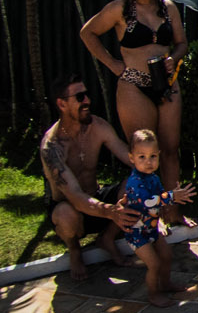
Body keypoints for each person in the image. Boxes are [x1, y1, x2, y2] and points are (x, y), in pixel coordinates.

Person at [80, 0, 195, 227]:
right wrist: (113, 64)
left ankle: (173, 212)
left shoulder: (168, 8)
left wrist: (173, 57)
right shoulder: (119, 9)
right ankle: (150, 217)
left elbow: (181, 43)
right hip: (133, 85)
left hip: (167, 85)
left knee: (170, 150)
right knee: (144, 155)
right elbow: (87, 33)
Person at [40, 76, 140, 281]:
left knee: (136, 183)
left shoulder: (97, 126)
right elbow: (75, 196)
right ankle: (74, 249)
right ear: (62, 104)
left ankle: (107, 238)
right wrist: (111, 211)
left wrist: (151, 177)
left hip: (97, 198)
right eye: (79, 97)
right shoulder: (52, 147)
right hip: (72, 209)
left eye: (86, 95)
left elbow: (132, 160)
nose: (87, 101)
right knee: (65, 214)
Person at [122, 129, 196, 307]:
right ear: (131, 157)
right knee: (154, 264)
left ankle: (165, 283)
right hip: (136, 232)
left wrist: (169, 200)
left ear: (159, 155)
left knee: (166, 255)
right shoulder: (134, 182)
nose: (148, 162)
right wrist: (171, 197)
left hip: (151, 228)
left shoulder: (153, 178)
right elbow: (147, 202)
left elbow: (159, 196)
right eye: (142, 157)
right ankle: (153, 294)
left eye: (153, 156)